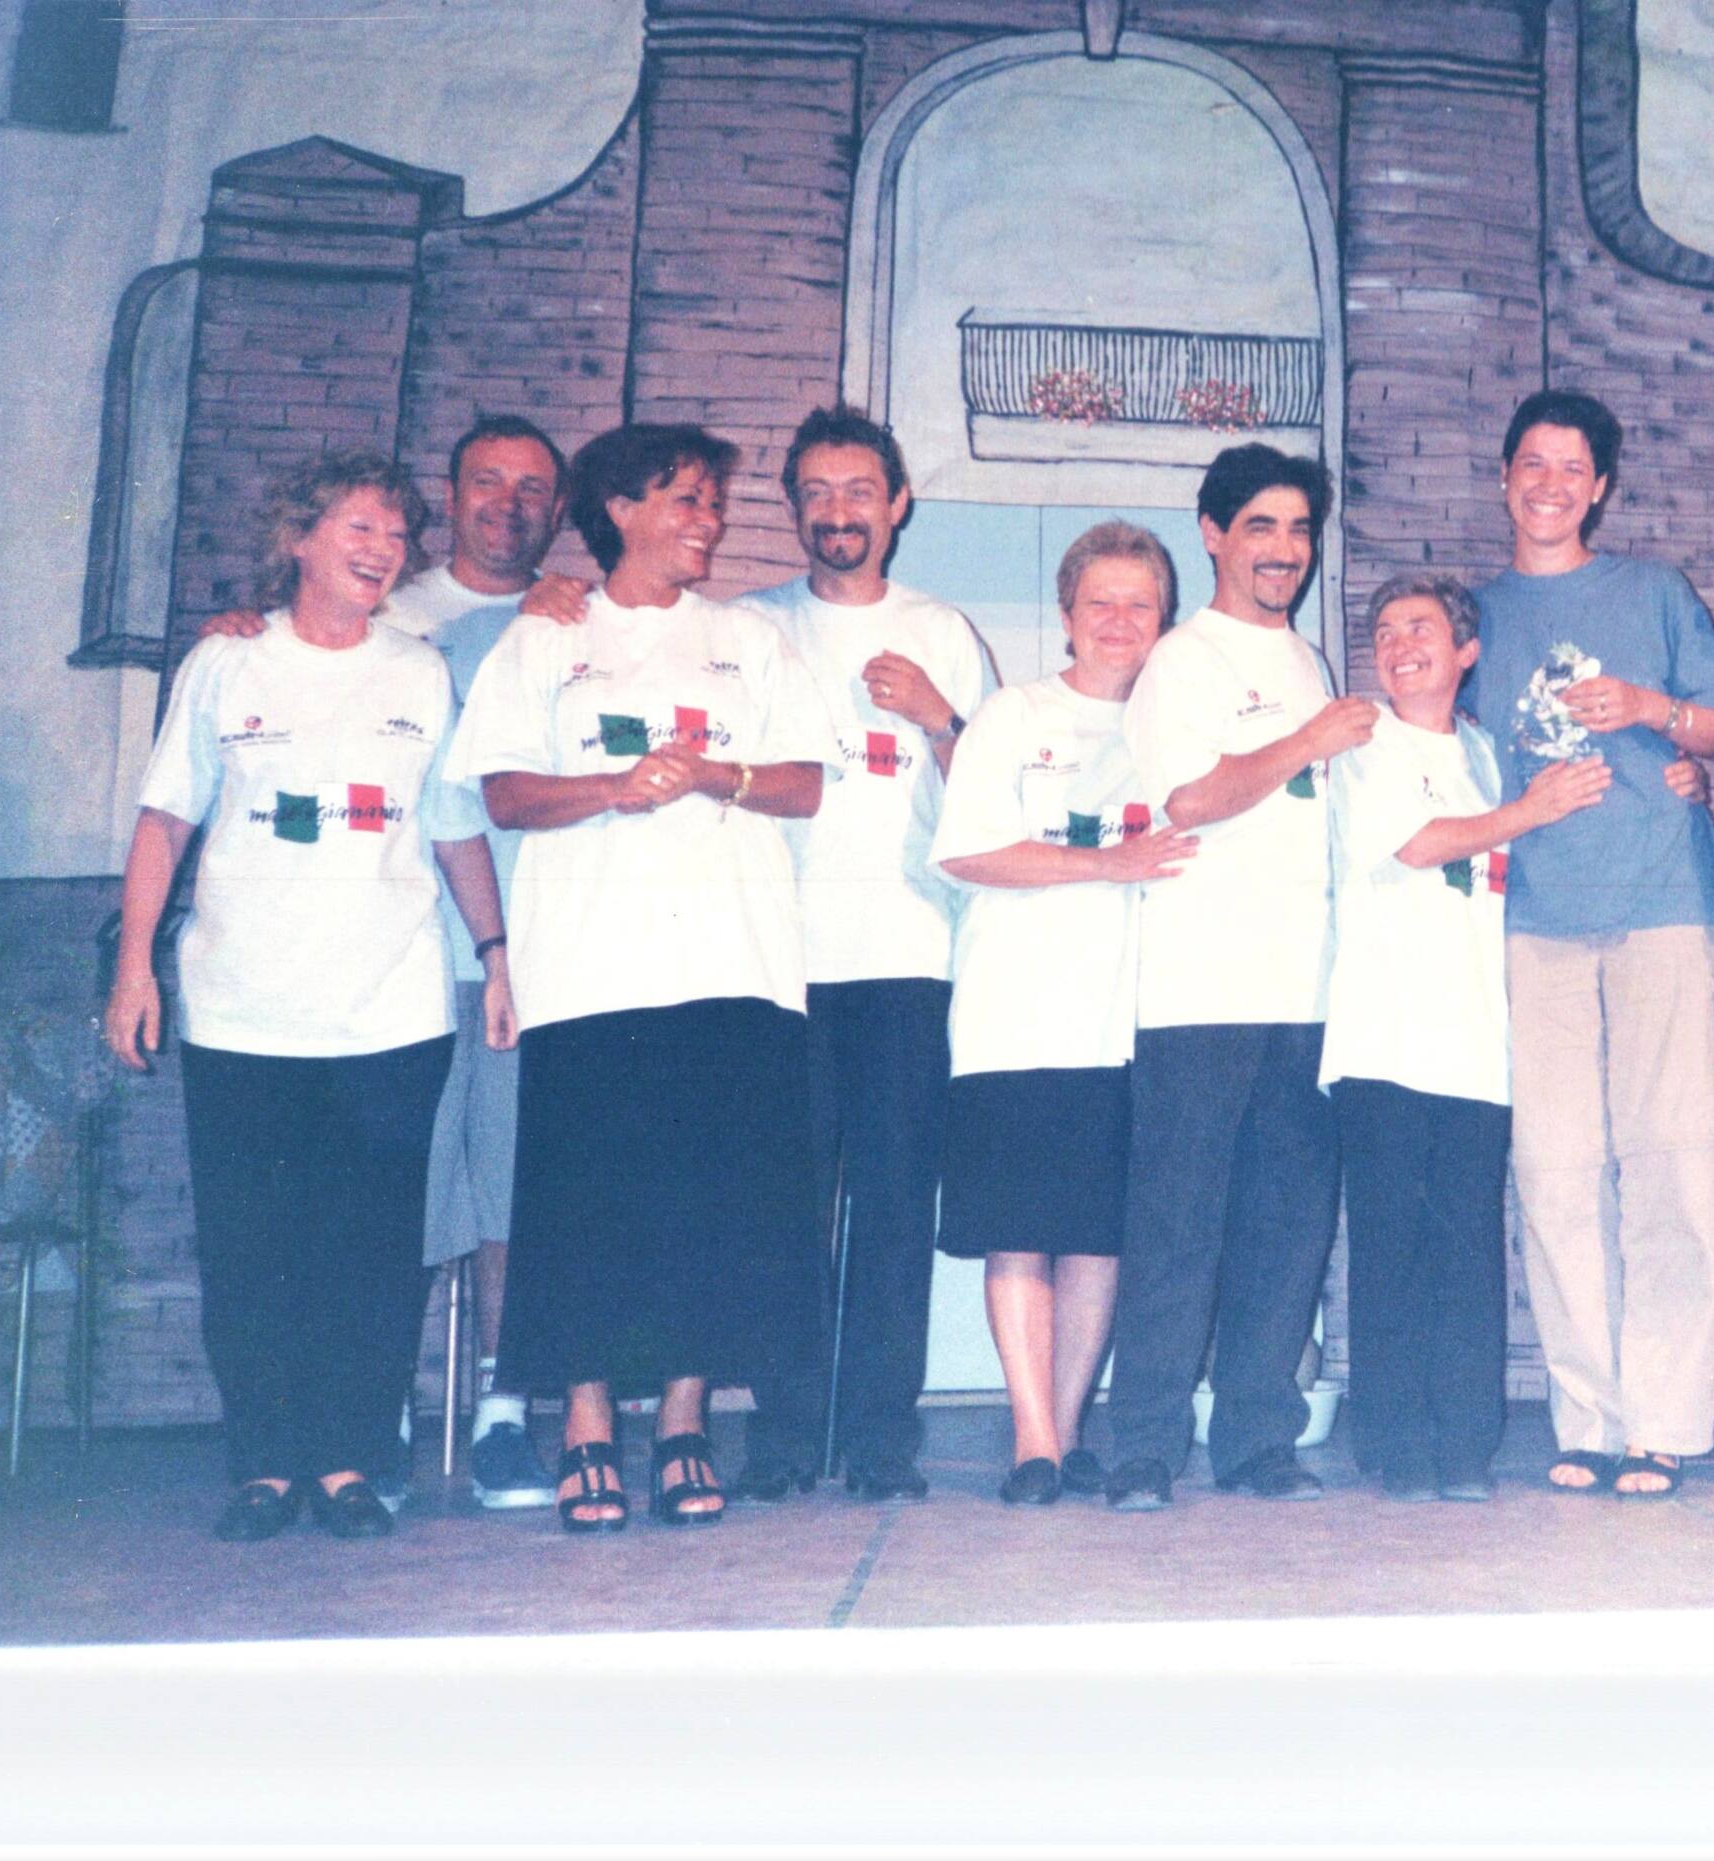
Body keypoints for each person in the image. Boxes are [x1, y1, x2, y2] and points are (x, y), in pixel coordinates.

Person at [103, 449, 514, 1544]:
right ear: (299, 538)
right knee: (250, 1245)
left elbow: (455, 823)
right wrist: (133, 962)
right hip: (240, 1012)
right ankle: (264, 1463)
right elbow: (164, 819)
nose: (384, 551)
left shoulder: (420, 670)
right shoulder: (227, 664)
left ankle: (345, 1461)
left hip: (389, 1015)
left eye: (395, 534)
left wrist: (497, 952)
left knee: (373, 1252)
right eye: (360, 530)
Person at [446, 421, 839, 1532]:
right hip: (588, 966)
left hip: (732, 961)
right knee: (587, 1208)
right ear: (619, 508)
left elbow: (806, 784)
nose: (708, 522)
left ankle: (680, 1421)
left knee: (711, 1208)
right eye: (685, 501)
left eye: (713, 503)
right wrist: (615, 789)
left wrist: (715, 772)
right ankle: (582, 1424)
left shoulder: (749, 640)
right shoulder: (546, 638)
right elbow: (507, 796)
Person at [197, 414, 568, 1513]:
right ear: (450, 498)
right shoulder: (377, 614)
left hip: (514, 960)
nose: (509, 503)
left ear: (555, 509)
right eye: (487, 482)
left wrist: (504, 954)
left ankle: (500, 1419)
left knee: (502, 1200)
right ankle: (375, 1425)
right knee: (385, 1220)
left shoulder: (574, 618)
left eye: (533, 488)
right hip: (370, 974)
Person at [1468, 390, 1714, 1500]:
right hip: (1528, 916)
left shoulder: (1654, 590)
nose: (1548, 483)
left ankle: (1665, 1423)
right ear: (1504, 479)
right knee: (1552, 1174)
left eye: (1571, 467)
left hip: (1662, 901)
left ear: (1601, 487)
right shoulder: (1474, 615)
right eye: (1529, 462)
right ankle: (1585, 1414)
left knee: (1677, 1162)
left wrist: (1652, 709)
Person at [1101, 444, 1367, 1511]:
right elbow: (1190, 799)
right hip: (1198, 994)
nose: (1284, 551)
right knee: (1176, 1227)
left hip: (1304, 993)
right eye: (1260, 527)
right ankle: (1144, 1446)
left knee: (1286, 1230)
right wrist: (1306, 741)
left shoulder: (1306, 661)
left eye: (1299, 530)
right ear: (1211, 534)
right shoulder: (1184, 660)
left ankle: (1258, 1436)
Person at [742, 406, 996, 1504]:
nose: (837, 511)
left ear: (897, 506)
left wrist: (941, 715)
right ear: (792, 505)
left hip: (907, 956)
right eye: (816, 491)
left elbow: (995, 798)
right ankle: (787, 1434)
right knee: (783, 1206)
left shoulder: (943, 629)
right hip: (773, 956)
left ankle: (882, 1437)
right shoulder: (748, 626)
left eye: (859, 491)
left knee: (895, 1208)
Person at [1320, 573, 1609, 1502]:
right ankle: (1396, 1447)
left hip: (1478, 1046)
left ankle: (1465, 1447)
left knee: (1468, 1251)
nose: (1402, 643)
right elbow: (1414, 844)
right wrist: (1531, 812)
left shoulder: (1487, 751)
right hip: (1383, 1042)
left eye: (1424, 628)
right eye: (1388, 630)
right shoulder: (1365, 741)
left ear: (1466, 652)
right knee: (1390, 1250)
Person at [930, 523, 1198, 1504]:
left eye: (1140, 603)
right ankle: (1031, 1441)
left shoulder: (1176, 735)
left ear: (1164, 619)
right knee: (1019, 1234)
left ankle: (1069, 1424)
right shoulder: (1011, 716)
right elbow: (967, 852)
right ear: (1067, 617)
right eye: (1101, 603)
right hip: (1013, 1021)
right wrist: (1106, 864)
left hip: (1130, 1023)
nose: (1120, 621)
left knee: (1098, 1239)